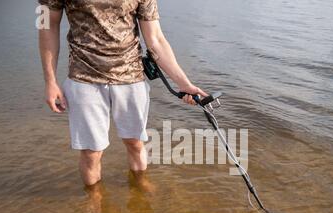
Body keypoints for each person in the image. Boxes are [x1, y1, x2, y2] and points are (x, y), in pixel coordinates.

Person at [38, 0, 207, 186]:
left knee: (135, 143)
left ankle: (140, 186)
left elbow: (156, 39)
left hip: (131, 79)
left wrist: (184, 84)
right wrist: (50, 81)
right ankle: (94, 200)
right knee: (91, 153)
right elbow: (47, 26)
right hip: (83, 79)